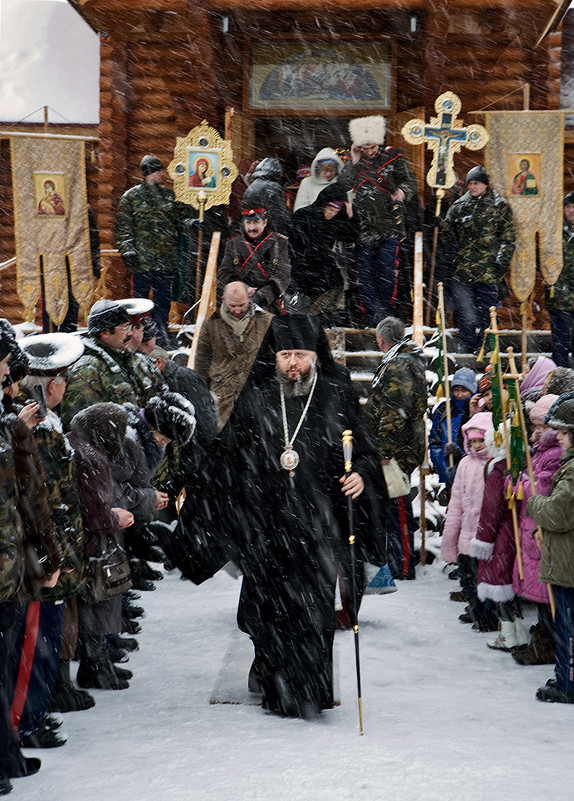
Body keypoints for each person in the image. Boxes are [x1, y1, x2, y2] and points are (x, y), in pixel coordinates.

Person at [168, 314, 387, 719]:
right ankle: (274, 681)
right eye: (285, 355)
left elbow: (367, 450)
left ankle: (308, 691)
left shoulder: (336, 391)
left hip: (318, 526)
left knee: (314, 612)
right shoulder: (259, 394)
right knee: (268, 610)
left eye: (300, 356)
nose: (292, 365)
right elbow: (228, 456)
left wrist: (361, 475)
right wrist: (194, 484)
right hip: (266, 525)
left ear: (314, 356)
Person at [18, 333, 95, 715]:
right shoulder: (41, 429)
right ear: (51, 385)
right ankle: (45, 698)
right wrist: (60, 548)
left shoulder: (46, 422)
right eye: (64, 379)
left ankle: (49, 693)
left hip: (56, 536)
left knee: (56, 615)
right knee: (48, 619)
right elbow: (48, 497)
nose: (67, 386)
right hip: (50, 540)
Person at [338, 115, 418, 326]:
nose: (370, 151)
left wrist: (403, 191)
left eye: (372, 147)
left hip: (390, 225)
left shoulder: (394, 156)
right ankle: (372, 315)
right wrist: (353, 162)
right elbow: (342, 185)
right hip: (363, 228)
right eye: (365, 148)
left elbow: (409, 181)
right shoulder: (354, 162)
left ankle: (387, 314)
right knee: (364, 275)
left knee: (387, 270)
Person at [365, 316, 427, 579]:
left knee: (397, 504)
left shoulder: (398, 364)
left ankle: (402, 565)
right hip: (401, 443)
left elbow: (394, 412)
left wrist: (384, 449)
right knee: (393, 505)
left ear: (381, 339)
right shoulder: (402, 360)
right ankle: (395, 560)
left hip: (398, 447)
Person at [528, 393, 574, 703]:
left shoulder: (571, 469)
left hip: (569, 562)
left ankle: (567, 683)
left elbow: (560, 512)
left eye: (564, 431)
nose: (557, 436)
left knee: (568, 626)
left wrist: (535, 504)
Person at [116, 154, 189, 346]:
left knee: (162, 302)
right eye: (159, 171)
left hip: (165, 259)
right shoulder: (131, 197)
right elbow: (124, 227)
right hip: (141, 260)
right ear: (151, 172)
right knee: (139, 303)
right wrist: (127, 250)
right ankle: (137, 336)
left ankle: (160, 335)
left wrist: (194, 221)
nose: (162, 174)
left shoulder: (169, 196)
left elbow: (181, 221)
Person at [441, 166, 516, 353]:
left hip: (489, 269)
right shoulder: (459, 206)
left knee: (487, 311)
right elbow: (448, 236)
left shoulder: (499, 206)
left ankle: (487, 346)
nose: (472, 187)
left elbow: (508, 239)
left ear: (485, 185)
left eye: (476, 183)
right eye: (470, 184)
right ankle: (466, 344)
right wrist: (440, 224)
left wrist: (500, 263)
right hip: (464, 268)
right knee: (465, 310)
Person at [512, 395, 561, 665]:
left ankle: (550, 643)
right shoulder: (542, 452)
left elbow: (543, 488)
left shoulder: (554, 455)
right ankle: (543, 636)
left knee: (546, 595)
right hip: (532, 531)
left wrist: (522, 486)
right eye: (533, 426)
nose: (535, 432)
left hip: (542, 530)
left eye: (541, 426)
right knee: (540, 592)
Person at [60, 298, 162, 428]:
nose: (130, 332)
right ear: (105, 334)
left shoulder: (130, 359)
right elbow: (82, 428)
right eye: (125, 328)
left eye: (130, 326)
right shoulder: (88, 370)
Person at [440, 412, 494, 629]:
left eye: (481, 440)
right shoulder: (465, 463)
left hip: (485, 530)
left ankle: (487, 613)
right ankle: (474, 606)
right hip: (466, 529)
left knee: (486, 576)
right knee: (469, 575)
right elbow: (457, 499)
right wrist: (452, 527)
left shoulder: (493, 464)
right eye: (472, 441)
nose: (477, 445)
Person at [194, 281, 272, 429]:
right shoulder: (211, 324)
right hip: (222, 397)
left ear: (250, 298)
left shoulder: (266, 321)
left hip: (258, 396)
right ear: (223, 300)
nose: (237, 310)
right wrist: (200, 396)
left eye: (241, 305)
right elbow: (201, 362)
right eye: (232, 306)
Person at [288, 183, 359, 325]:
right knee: (305, 315)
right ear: (323, 205)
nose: (332, 214)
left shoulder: (333, 222)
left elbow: (352, 235)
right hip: (305, 271)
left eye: (336, 211)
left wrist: (351, 213)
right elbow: (296, 247)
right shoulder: (303, 215)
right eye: (330, 209)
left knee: (327, 311)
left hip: (324, 274)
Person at [217, 208, 291, 314]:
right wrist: (241, 291)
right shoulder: (233, 243)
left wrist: (261, 295)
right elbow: (223, 274)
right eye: (248, 223)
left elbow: (283, 276)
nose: (252, 227)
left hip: (269, 302)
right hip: (238, 302)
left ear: (265, 222)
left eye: (256, 222)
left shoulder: (279, 242)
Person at [429, 367, 478, 490]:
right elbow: (434, 441)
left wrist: (460, 456)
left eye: (464, 390)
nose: (459, 395)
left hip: (475, 470)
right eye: (456, 390)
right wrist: (444, 464)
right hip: (449, 466)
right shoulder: (444, 410)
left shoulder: (479, 408)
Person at [545, 192, 574, 367]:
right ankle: (560, 375)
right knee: (560, 341)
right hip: (559, 295)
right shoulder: (554, 231)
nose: (571, 210)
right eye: (568, 207)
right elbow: (543, 257)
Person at [241, 157, 289, 235]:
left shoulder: (252, 186)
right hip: (268, 233)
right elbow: (278, 216)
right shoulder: (274, 187)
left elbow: (245, 213)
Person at [293, 148, 344, 212]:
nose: (328, 174)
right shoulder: (307, 183)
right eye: (325, 170)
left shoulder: (341, 184)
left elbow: (349, 210)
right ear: (318, 169)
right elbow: (299, 209)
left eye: (332, 170)